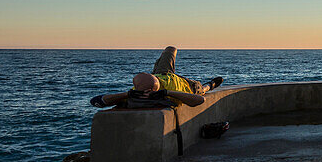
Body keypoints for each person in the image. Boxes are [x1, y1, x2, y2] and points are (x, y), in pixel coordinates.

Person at [90, 46, 223, 108]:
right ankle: (212, 84)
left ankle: (159, 73)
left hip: (163, 72)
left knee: (170, 49)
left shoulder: (145, 85)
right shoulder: (166, 95)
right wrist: (166, 92)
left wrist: (127, 94)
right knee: (204, 88)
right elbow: (199, 100)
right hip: (188, 85)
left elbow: (98, 100)